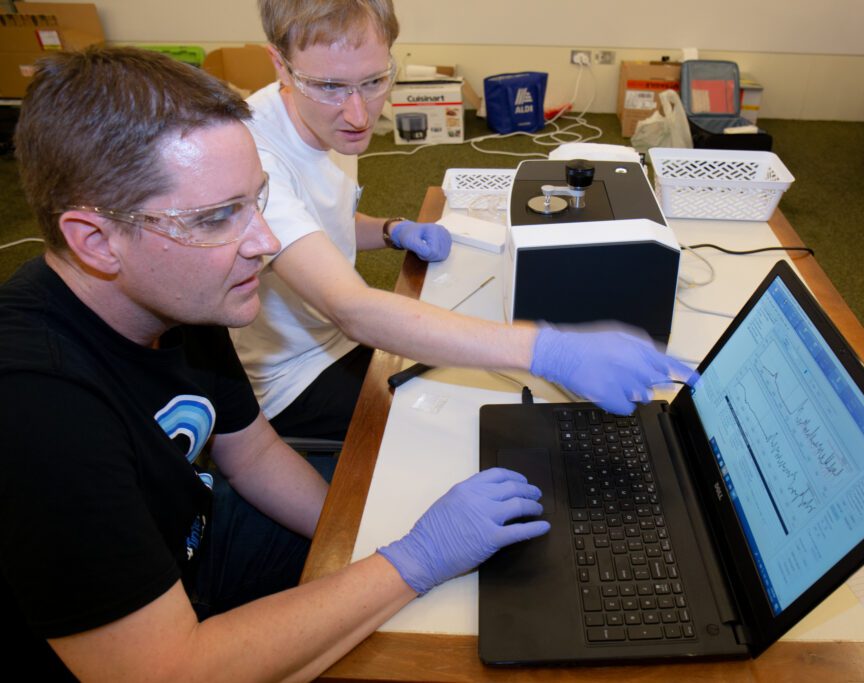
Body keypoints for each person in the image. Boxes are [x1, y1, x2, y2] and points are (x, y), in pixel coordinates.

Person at [0, 46, 549, 681]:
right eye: (215, 218)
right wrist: (410, 561)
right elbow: (170, 671)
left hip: (195, 544)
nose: (263, 243)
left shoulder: (176, 296)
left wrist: (363, 544)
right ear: (95, 240)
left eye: (255, 199)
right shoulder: (37, 408)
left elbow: (252, 454)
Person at [233, 0, 695, 441]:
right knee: (463, 425)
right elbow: (351, 309)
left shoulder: (322, 115)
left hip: (339, 339)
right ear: (280, 64)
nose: (359, 114)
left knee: (489, 381)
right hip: (296, 379)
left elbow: (315, 224)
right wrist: (547, 350)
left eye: (374, 81)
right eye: (331, 87)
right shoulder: (253, 162)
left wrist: (392, 231)